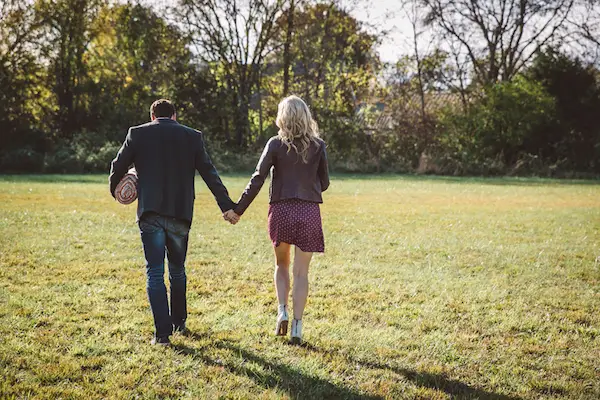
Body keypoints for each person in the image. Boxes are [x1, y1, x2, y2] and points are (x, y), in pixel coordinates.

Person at [109, 99, 239, 346]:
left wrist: (116, 191)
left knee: (155, 271)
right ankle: (179, 322)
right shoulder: (192, 137)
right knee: (177, 270)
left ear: (152, 115)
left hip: (150, 213)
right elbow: (209, 173)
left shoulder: (137, 134)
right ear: (175, 115)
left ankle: (162, 335)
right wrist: (226, 206)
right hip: (180, 213)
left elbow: (117, 166)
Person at [229, 95, 329, 344]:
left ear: (282, 118)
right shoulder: (318, 146)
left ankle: (282, 311)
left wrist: (238, 210)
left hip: (281, 211)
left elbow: (257, 178)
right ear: (306, 116)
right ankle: (297, 326)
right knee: (302, 273)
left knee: (281, 266)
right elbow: (324, 183)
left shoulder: (275, 144)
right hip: (308, 212)